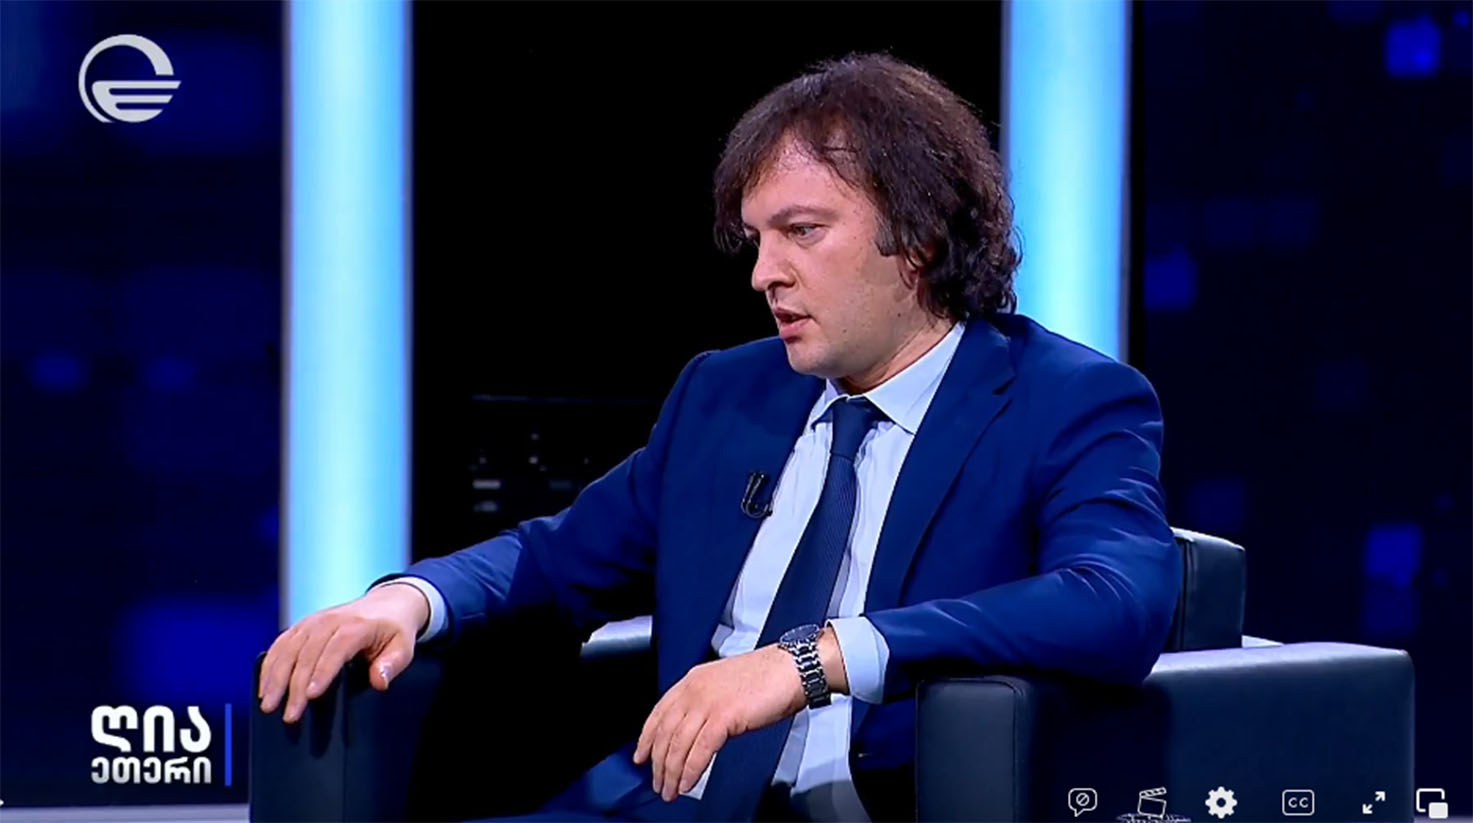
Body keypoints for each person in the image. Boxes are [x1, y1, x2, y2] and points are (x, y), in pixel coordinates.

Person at [257, 52, 1182, 823]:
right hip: (662, 804)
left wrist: (812, 660)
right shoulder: (725, 392)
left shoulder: (1064, 401)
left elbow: (1115, 600)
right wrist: (407, 601)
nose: (763, 273)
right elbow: (554, 558)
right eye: (756, 239)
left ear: (921, 239)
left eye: (802, 232)